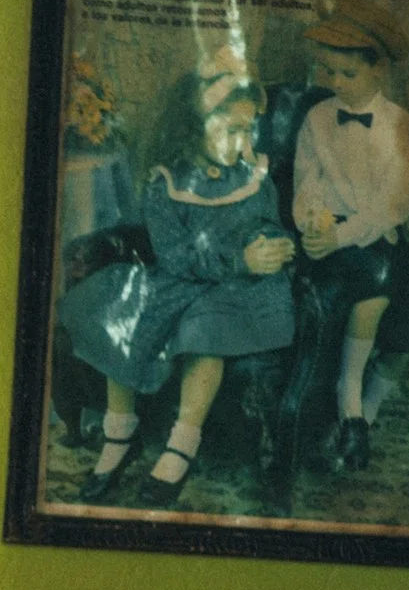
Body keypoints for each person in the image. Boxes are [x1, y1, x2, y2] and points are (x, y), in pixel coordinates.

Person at [57, 65, 298, 510]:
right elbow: (174, 257)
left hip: (242, 289)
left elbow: (270, 224)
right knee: (122, 315)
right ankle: (119, 432)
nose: (242, 141)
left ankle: (181, 446)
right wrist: (235, 258)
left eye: (248, 129)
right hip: (186, 275)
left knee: (206, 330)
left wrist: (274, 247)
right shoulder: (166, 182)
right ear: (196, 127)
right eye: (230, 128)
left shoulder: (253, 175)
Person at [289, 0, 409, 472]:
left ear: (378, 72)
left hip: (379, 240)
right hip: (331, 249)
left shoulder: (400, 127)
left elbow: (393, 204)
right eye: (328, 73)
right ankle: (349, 411)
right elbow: (306, 185)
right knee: (367, 297)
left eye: (347, 74)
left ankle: (364, 412)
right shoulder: (317, 120)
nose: (335, 84)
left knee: (401, 338)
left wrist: (342, 234)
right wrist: (314, 222)